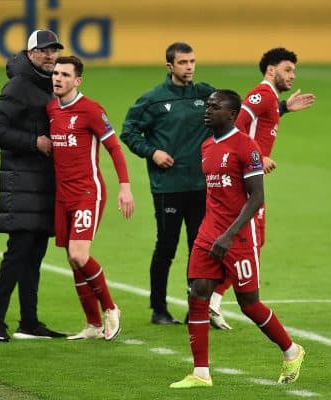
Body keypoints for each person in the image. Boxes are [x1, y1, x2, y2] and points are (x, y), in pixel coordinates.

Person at [170, 90, 305, 389]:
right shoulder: (206, 146)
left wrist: (229, 235)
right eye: (207, 106)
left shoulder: (246, 146)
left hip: (239, 237)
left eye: (215, 107)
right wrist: (213, 232)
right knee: (198, 294)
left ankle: (291, 351)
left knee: (249, 304)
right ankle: (201, 373)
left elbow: (257, 197)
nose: (208, 110)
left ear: (232, 114)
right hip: (208, 234)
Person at [208, 47, 315, 330]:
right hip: (245, 180)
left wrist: (284, 109)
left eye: (293, 70)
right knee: (249, 243)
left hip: (245, 177)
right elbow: (237, 124)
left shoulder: (270, 99)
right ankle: (212, 298)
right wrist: (257, 154)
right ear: (271, 70)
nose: (292, 75)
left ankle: (212, 299)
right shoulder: (263, 93)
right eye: (287, 69)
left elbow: (254, 122)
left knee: (248, 242)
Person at [0, 30, 67, 341]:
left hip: (44, 185)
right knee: (17, 253)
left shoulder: (51, 86)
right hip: (22, 184)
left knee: (34, 256)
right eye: (43, 51)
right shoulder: (18, 86)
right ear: (29, 54)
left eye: (53, 50)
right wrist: (34, 142)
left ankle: (29, 321)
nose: (49, 56)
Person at [120, 42, 215, 325]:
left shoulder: (206, 94)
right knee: (167, 247)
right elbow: (128, 132)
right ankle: (158, 309)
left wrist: (281, 107)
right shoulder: (153, 100)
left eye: (193, 61)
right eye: (184, 62)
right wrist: (153, 152)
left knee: (199, 249)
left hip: (201, 185)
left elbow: (239, 113)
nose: (189, 67)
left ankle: (195, 309)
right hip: (168, 187)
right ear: (170, 66)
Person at [47, 56, 134, 341]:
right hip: (63, 196)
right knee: (72, 262)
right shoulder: (51, 109)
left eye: (64, 74)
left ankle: (111, 308)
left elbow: (114, 149)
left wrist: (125, 186)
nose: (58, 78)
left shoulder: (91, 110)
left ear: (77, 80)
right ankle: (93, 325)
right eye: (56, 73)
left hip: (88, 192)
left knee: (78, 254)